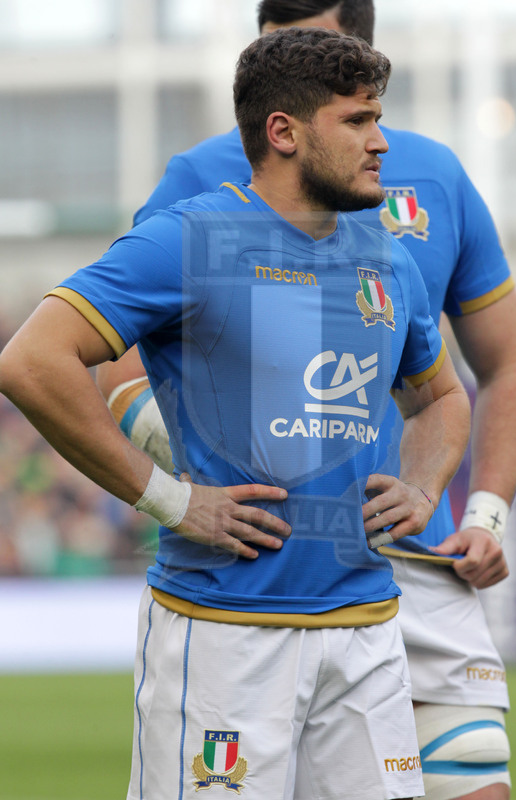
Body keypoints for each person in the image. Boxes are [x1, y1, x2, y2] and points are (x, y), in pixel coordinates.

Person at [0, 28, 470, 800]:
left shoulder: (388, 257)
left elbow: (443, 398)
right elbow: (30, 360)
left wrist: (423, 484)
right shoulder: (192, 238)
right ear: (282, 132)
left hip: (369, 633)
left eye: (378, 118)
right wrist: (169, 499)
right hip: (223, 634)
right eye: (357, 121)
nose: (382, 142)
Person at [96, 3, 516, 800]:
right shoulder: (200, 185)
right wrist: (184, 481)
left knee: (479, 786)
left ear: (360, 49)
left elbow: (493, 373)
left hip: (407, 566)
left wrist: (482, 511)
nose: (289, 60)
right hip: (256, 577)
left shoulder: (431, 175)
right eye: (273, 51)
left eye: (319, 48)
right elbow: (98, 351)